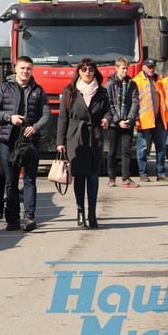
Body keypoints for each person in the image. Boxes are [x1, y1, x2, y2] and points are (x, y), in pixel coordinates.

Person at [0, 56, 50, 232]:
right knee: (11, 181)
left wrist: (35, 127)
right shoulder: (4, 88)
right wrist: (9, 117)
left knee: (29, 179)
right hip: (8, 140)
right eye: (22, 68)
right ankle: (12, 219)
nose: (25, 72)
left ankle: (29, 217)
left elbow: (46, 114)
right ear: (15, 68)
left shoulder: (38, 90)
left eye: (28, 68)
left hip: (30, 141)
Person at [56, 58, 111, 229]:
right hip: (75, 137)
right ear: (78, 71)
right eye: (84, 69)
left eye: (91, 69)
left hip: (94, 136)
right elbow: (62, 118)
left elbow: (109, 111)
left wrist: (106, 119)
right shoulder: (69, 91)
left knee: (93, 177)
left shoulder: (101, 92)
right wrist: (60, 142)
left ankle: (92, 214)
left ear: (95, 72)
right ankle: (80, 211)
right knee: (79, 177)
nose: (87, 72)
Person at [132, 58, 168, 182]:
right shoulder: (137, 81)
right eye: (149, 67)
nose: (151, 69)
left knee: (161, 147)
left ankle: (161, 173)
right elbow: (134, 102)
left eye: (153, 66)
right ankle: (143, 173)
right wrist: (136, 118)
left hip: (158, 119)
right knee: (142, 148)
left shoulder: (158, 80)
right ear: (143, 67)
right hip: (144, 120)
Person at [104, 57, 140, 188]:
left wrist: (130, 119)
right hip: (114, 123)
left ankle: (126, 178)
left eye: (126, 68)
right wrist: (118, 120)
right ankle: (111, 177)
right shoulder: (109, 84)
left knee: (126, 151)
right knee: (112, 151)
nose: (125, 71)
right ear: (117, 68)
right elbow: (109, 104)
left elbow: (135, 103)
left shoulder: (132, 84)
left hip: (127, 122)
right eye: (122, 68)